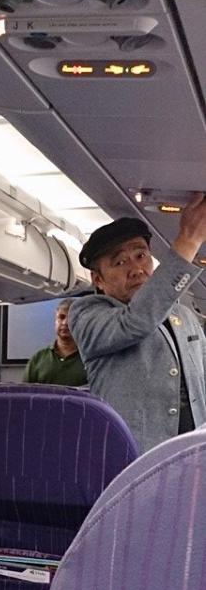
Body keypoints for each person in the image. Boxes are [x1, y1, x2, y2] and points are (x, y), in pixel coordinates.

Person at [69, 194, 206, 453]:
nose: (136, 269)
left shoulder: (185, 316)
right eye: (120, 262)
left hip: (192, 454)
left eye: (141, 255)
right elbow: (135, 322)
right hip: (131, 456)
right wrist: (188, 241)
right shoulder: (86, 314)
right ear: (98, 280)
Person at [22, 299, 87, 386]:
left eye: (71, 318)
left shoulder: (91, 358)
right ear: (55, 321)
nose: (65, 323)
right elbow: (24, 392)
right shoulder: (38, 359)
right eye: (61, 317)